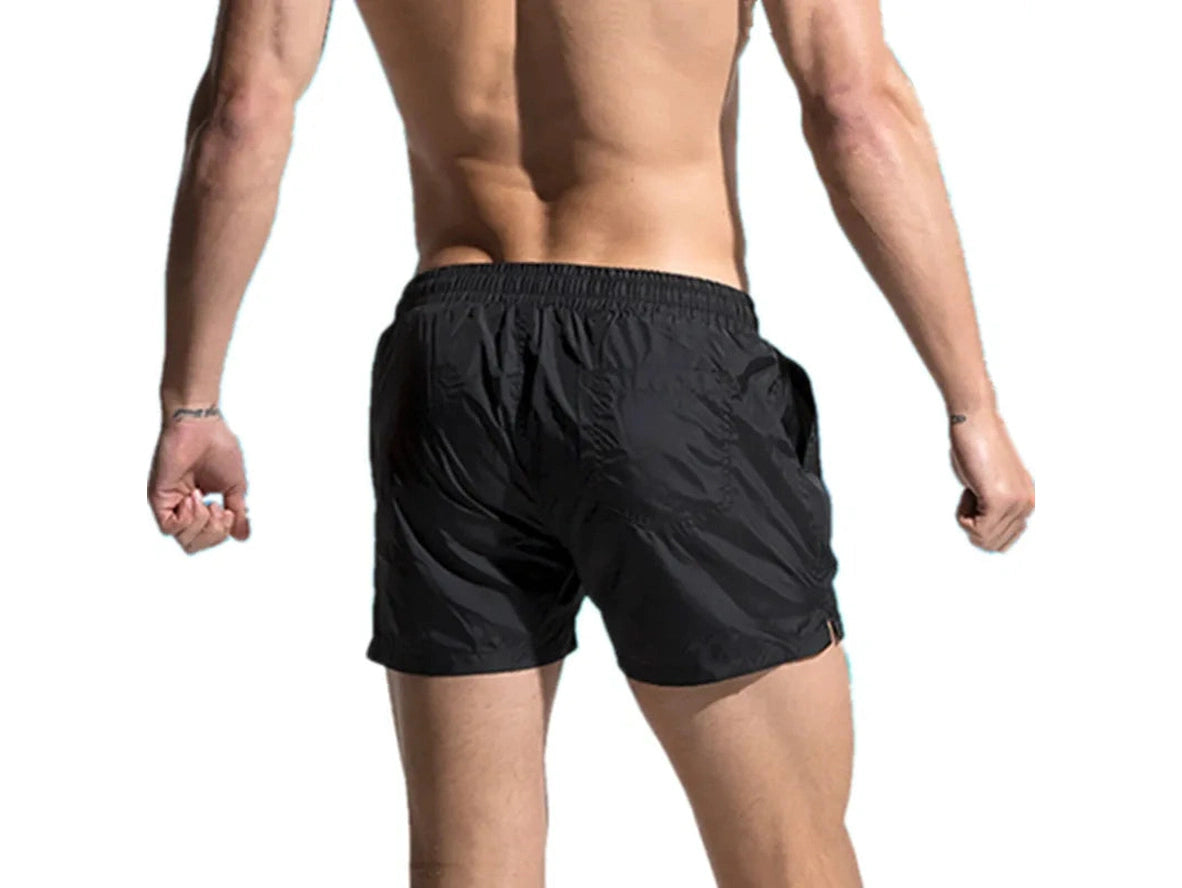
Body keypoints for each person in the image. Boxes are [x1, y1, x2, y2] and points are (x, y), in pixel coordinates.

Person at [146, 1, 1035, 885]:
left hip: (450, 364)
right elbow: (853, 105)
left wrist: (192, 403)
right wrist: (973, 406)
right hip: (669, 358)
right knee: (786, 857)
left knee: (467, 867)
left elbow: (241, 113)